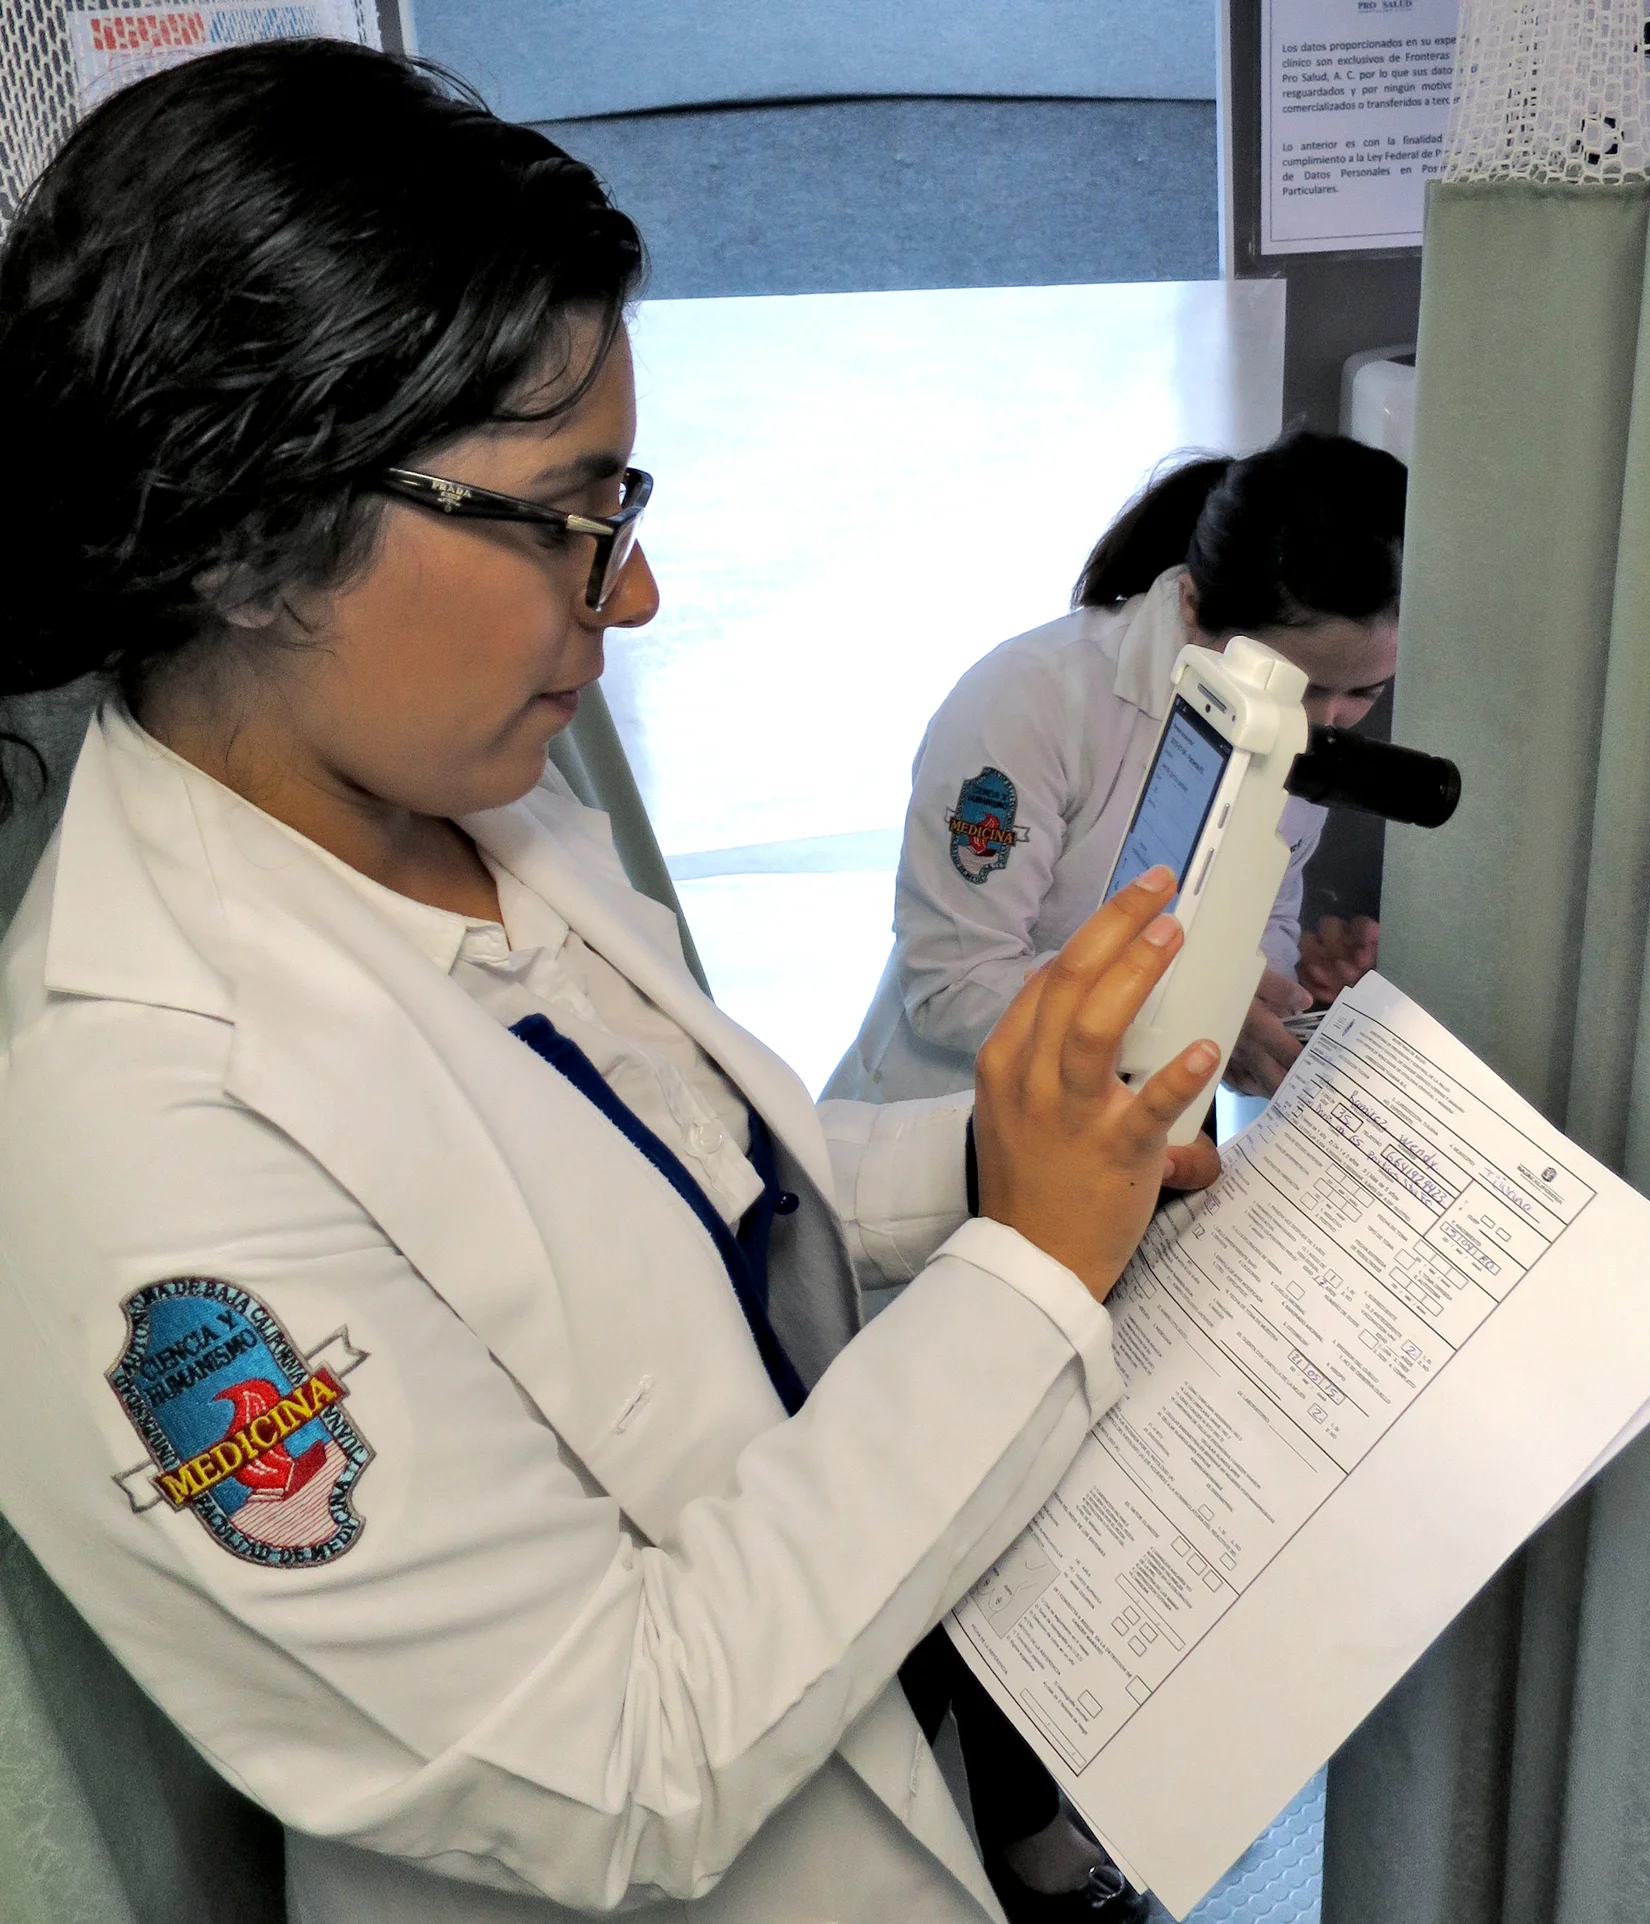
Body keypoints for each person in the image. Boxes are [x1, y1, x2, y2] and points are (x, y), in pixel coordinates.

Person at [0, 43, 1227, 1924]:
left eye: (622, 503)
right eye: (565, 517)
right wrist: (1032, 1269)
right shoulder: (120, 1136)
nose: (632, 594)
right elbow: (619, 1757)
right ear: (250, 536)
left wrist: (1013, 1165)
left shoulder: (484, 803)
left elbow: (703, 1192)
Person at [825, 435, 1407, 1108]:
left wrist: (1277, 992)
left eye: (1366, 693)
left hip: (1130, 1138)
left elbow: (1262, 926)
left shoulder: (1308, 722)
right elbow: (951, 987)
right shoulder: (1028, 702)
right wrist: (1186, 1019)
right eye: (1297, 687)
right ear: (1193, 604)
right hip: (935, 1136)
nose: (1322, 723)